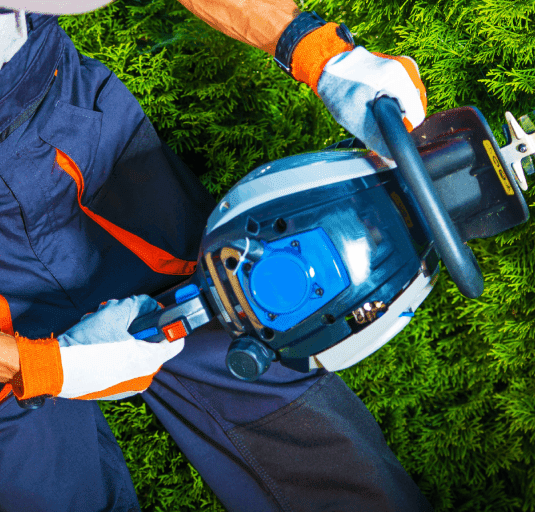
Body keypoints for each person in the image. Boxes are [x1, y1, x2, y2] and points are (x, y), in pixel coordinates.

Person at [0, 0, 433, 510]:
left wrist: (313, 47)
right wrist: (40, 365)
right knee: (42, 489)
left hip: (63, 125)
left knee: (252, 346)